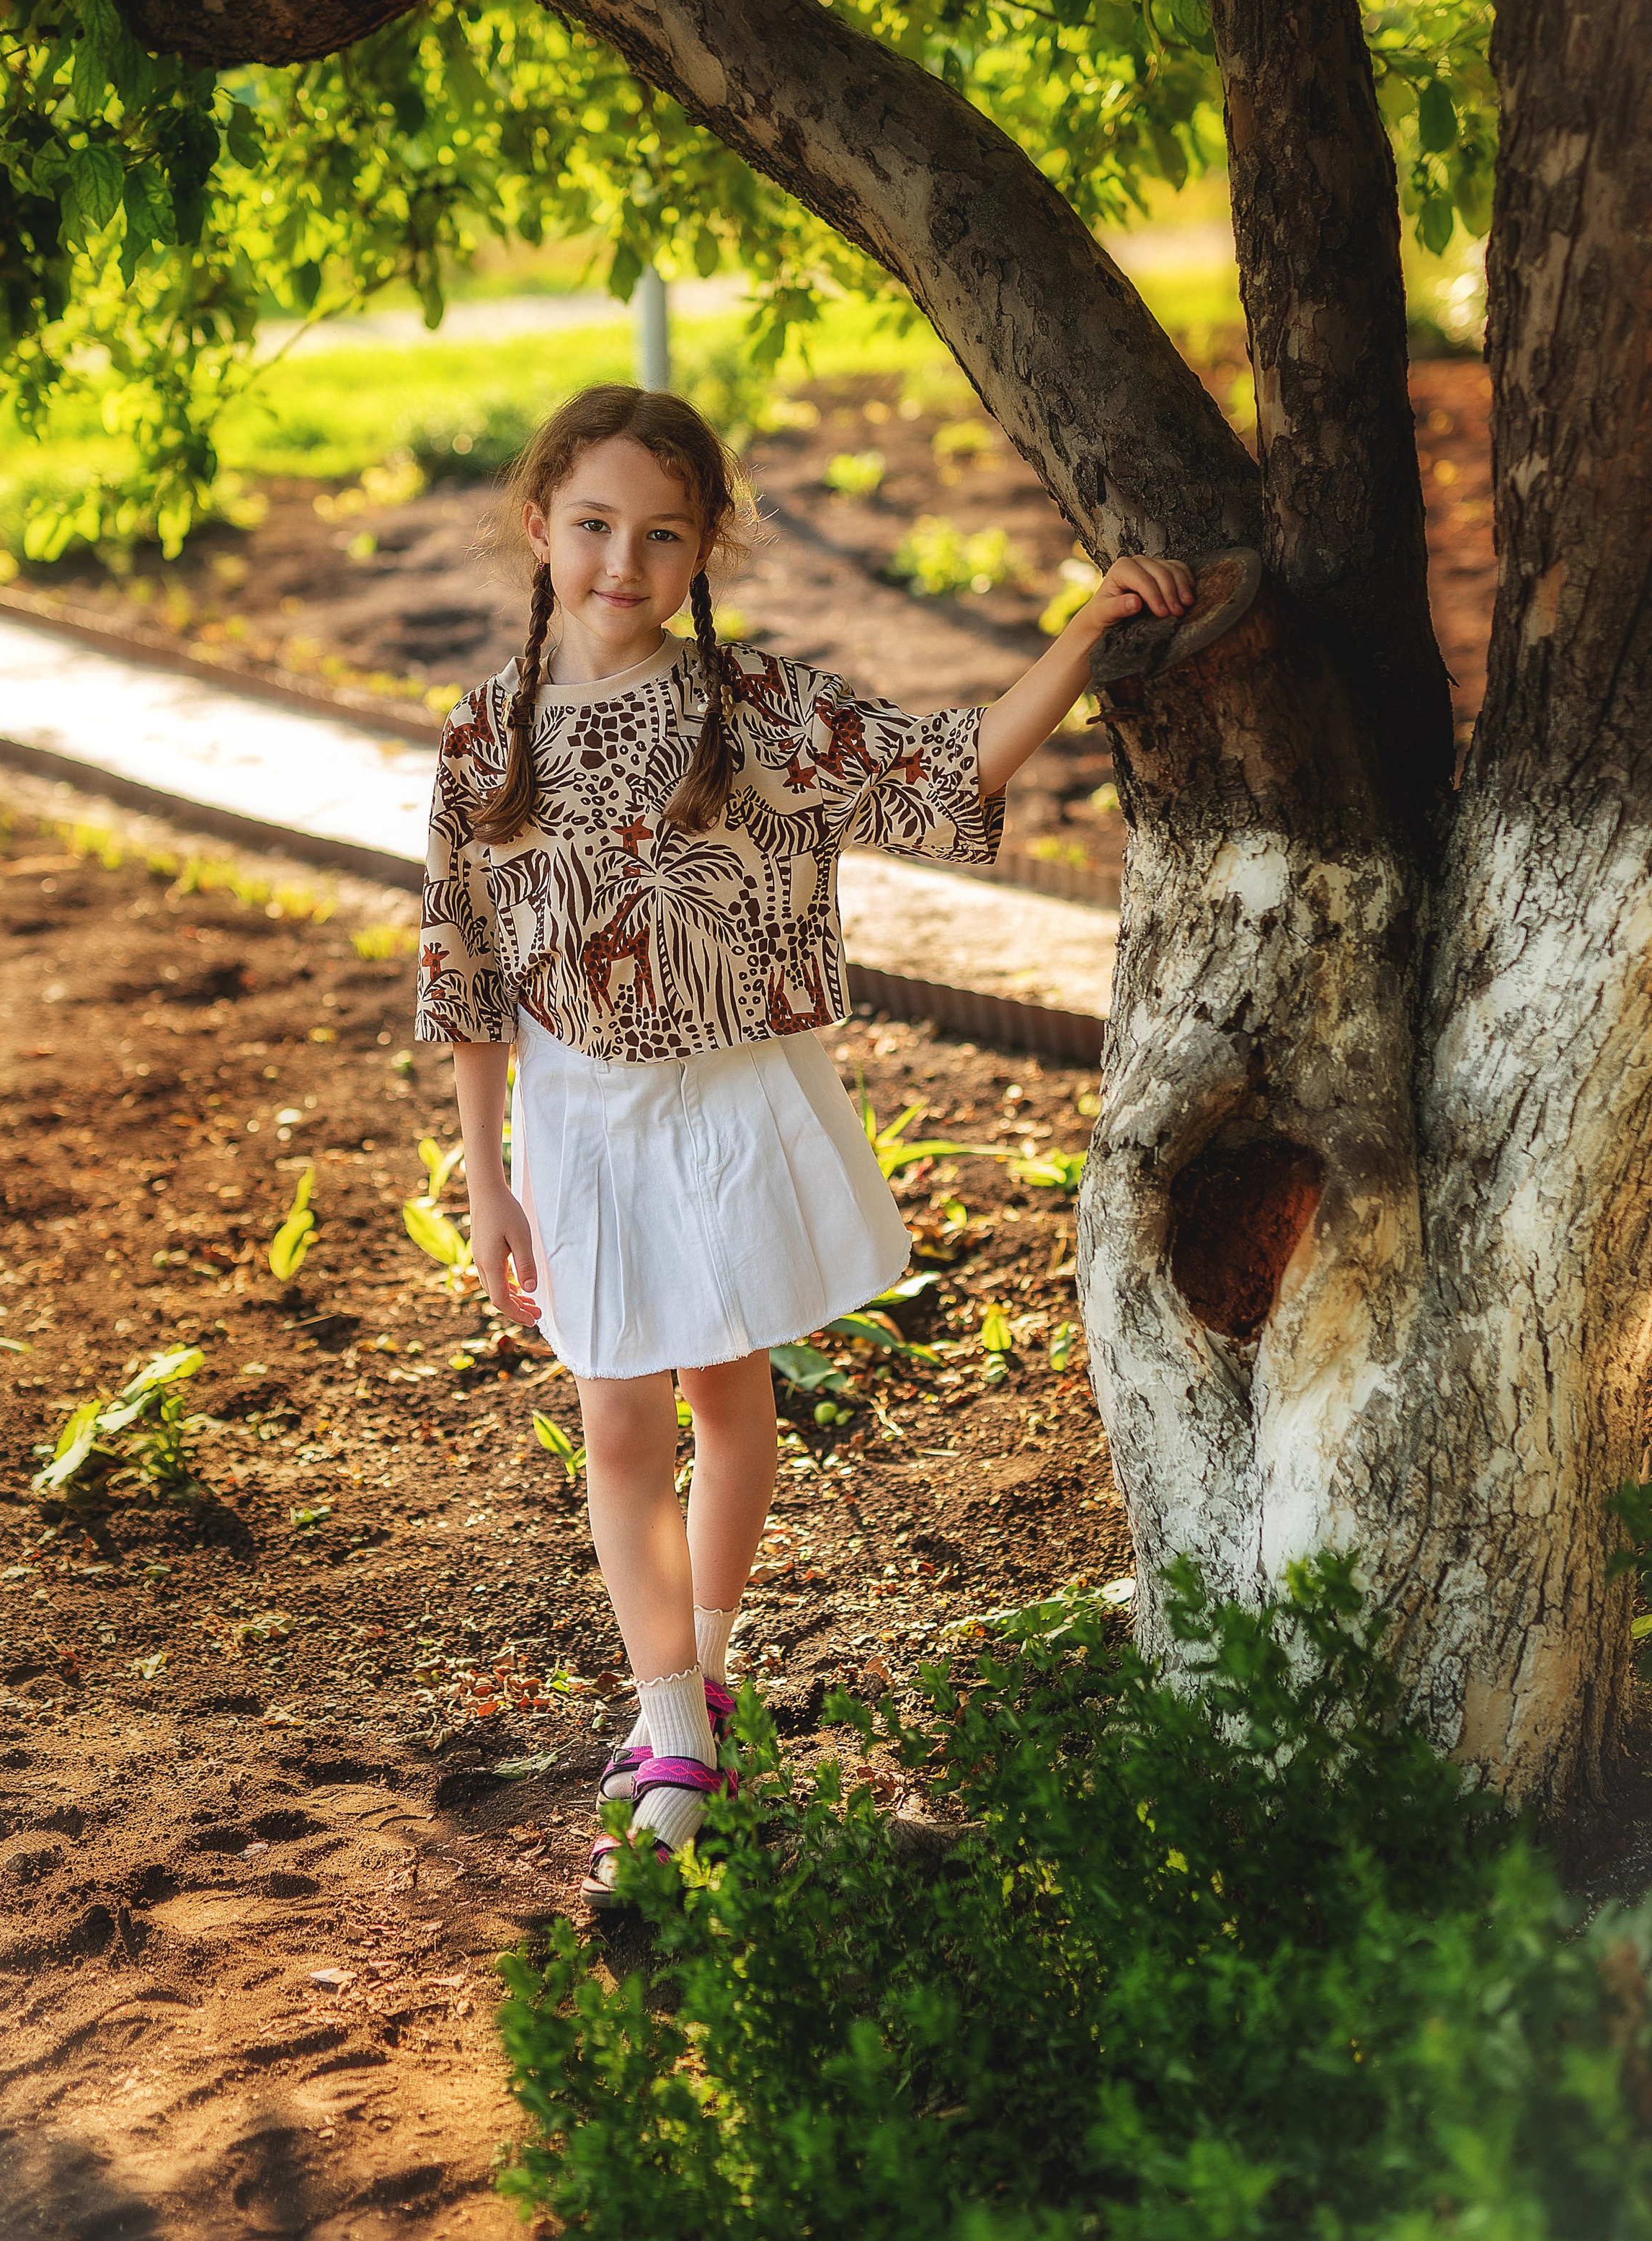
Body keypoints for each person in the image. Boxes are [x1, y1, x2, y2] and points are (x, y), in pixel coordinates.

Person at [414, 383, 1191, 1905]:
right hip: (577, 1123)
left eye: (659, 535)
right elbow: (461, 965)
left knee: (724, 1390)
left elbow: (940, 767)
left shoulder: (749, 708)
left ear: (701, 550)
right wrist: (486, 1176)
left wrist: (1085, 633)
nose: (619, 563)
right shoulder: (482, 736)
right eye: (591, 528)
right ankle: (666, 1728)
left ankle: (694, 1683)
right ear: (537, 529)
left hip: (728, 1097)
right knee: (619, 1424)